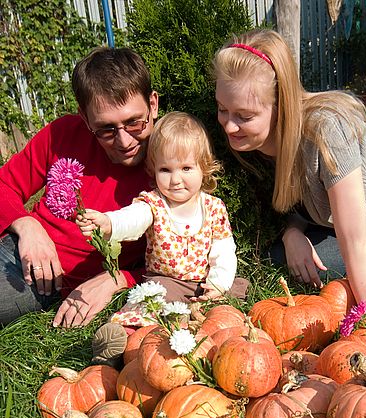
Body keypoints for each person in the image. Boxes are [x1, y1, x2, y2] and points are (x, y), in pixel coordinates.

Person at [212, 28, 366, 316]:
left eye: (244, 116)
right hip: (361, 226)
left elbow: (356, 245)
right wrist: (292, 232)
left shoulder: (326, 131)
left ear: (280, 105)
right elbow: (300, 200)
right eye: (222, 109)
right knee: (284, 257)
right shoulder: (257, 144)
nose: (228, 126)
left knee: (321, 263)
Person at [0, 46, 159, 328]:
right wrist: (26, 225)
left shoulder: (173, 160)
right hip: (20, 251)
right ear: (85, 119)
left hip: (45, 283)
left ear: (153, 104)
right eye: (106, 129)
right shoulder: (63, 134)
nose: (124, 142)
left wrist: (118, 279)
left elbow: (185, 253)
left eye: (134, 122)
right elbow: (4, 184)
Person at [76, 111, 248, 327]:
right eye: (165, 170)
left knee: (235, 291)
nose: (175, 180)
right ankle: (124, 338)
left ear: (203, 168)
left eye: (186, 168)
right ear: (153, 170)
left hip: (203, 285)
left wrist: (218, 284)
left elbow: (223, 251)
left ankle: (205, 323)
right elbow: (133, 219)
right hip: (166, 282)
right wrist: (109, 223)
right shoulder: (154, 204)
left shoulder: (213, 208)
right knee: (151, 305)